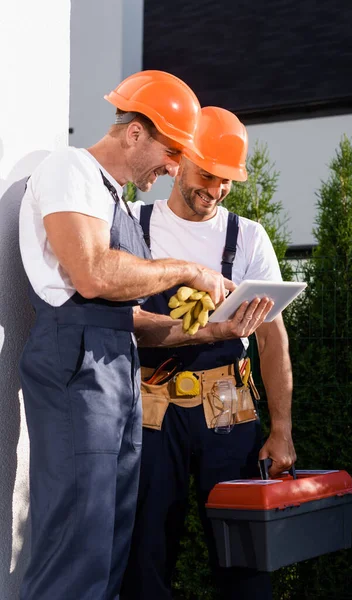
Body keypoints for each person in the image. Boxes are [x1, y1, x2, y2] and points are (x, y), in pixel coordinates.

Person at [18, 71, 265, 600]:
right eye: (172, 151)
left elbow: (129, 321)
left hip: (116, 368)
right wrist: (186, 271)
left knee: (109, 551)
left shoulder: (113, 197)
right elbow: (91, 274)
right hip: (77, 366)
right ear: (134, 133)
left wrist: (213, 330)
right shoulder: (70, 170)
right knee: (76, 546)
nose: (175, 166)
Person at [121, 107, 297, 600]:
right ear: (178, 161)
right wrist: (204, 330)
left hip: (230, 408)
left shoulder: (249, 237)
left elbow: (272, 338)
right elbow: (128, 325)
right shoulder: (135, 224)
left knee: (244, 560)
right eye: (206, 175)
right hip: (152, 412)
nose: (215, 190)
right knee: (145, 554)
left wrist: (281, 431)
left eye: (226, 181)